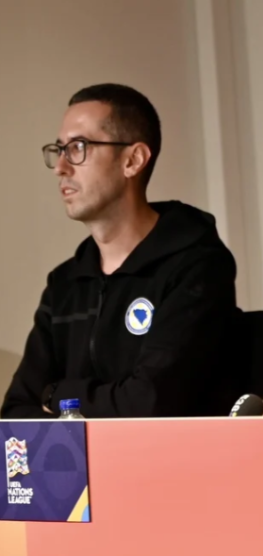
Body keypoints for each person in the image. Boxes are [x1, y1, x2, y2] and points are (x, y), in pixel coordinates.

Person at [1, 84, 239, 418]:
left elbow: (151, 403)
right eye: (60, 149)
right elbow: (16, 413)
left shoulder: (197, 266)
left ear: (132, 160)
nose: (61, 167)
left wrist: (58, 395)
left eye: (78, 147)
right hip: (76, 455)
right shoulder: (65, 284)